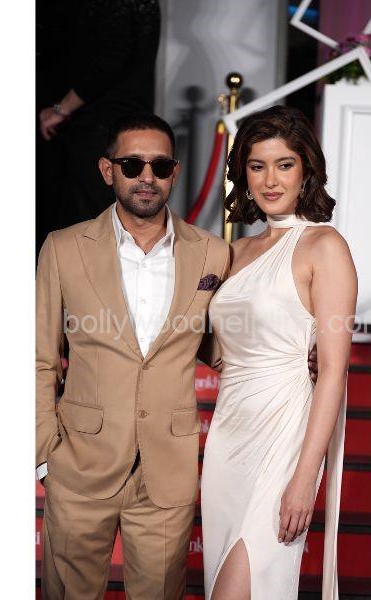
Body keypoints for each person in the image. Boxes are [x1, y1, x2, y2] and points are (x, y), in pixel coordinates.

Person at [36, 113, 232, 599]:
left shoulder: (212, 253)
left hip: (167, 470)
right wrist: (45, 455)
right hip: (79, 465)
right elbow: (37, 357)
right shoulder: (63, 248)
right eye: (132, 164)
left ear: (174, 173)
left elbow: (223, 347)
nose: (147, 176)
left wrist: (290, 356)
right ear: (108, 170)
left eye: (160, 166)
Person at [201, 105, 358, 600]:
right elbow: (218, 348)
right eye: (257, 166)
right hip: (229, 434)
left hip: (284, 434)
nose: (271, 180)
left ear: (305, 170)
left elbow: (333, 371)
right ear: (243, 175)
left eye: (284, 164)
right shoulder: (235, 253)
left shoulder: (324, 245)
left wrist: (304, 477)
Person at [36, 0, 160, 257]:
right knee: (101, 223)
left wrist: (61, 108)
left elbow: (110, 55)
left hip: (98, 126)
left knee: (87, 224)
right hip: (118, 123)